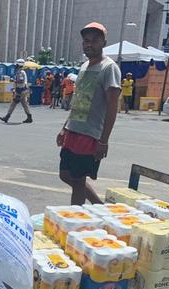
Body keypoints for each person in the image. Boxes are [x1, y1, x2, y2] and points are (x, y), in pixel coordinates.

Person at [56, 22, 121, 205]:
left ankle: (75, 222)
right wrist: (64, 128)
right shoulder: (84, 66)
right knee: (65, 174)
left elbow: (112, 107)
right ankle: (99, 205)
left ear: (104, 42)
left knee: (78, 181)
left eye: (94, 40)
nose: (89, 44)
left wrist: (104, 140)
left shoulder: (109, 68)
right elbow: (78, 101)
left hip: (90, 135)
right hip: (73, 131)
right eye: (86, 41)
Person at [0, 58, 32, 124]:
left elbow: (21, 81)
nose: (15, 66)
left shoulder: (20, 72)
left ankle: (7, 117)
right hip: (23, 90)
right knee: (24, 104)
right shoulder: (21, 72)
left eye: (16, 65)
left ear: (19, 65)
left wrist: (14, 81)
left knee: (13, 104)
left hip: (21, 90)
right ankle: (29, 117)